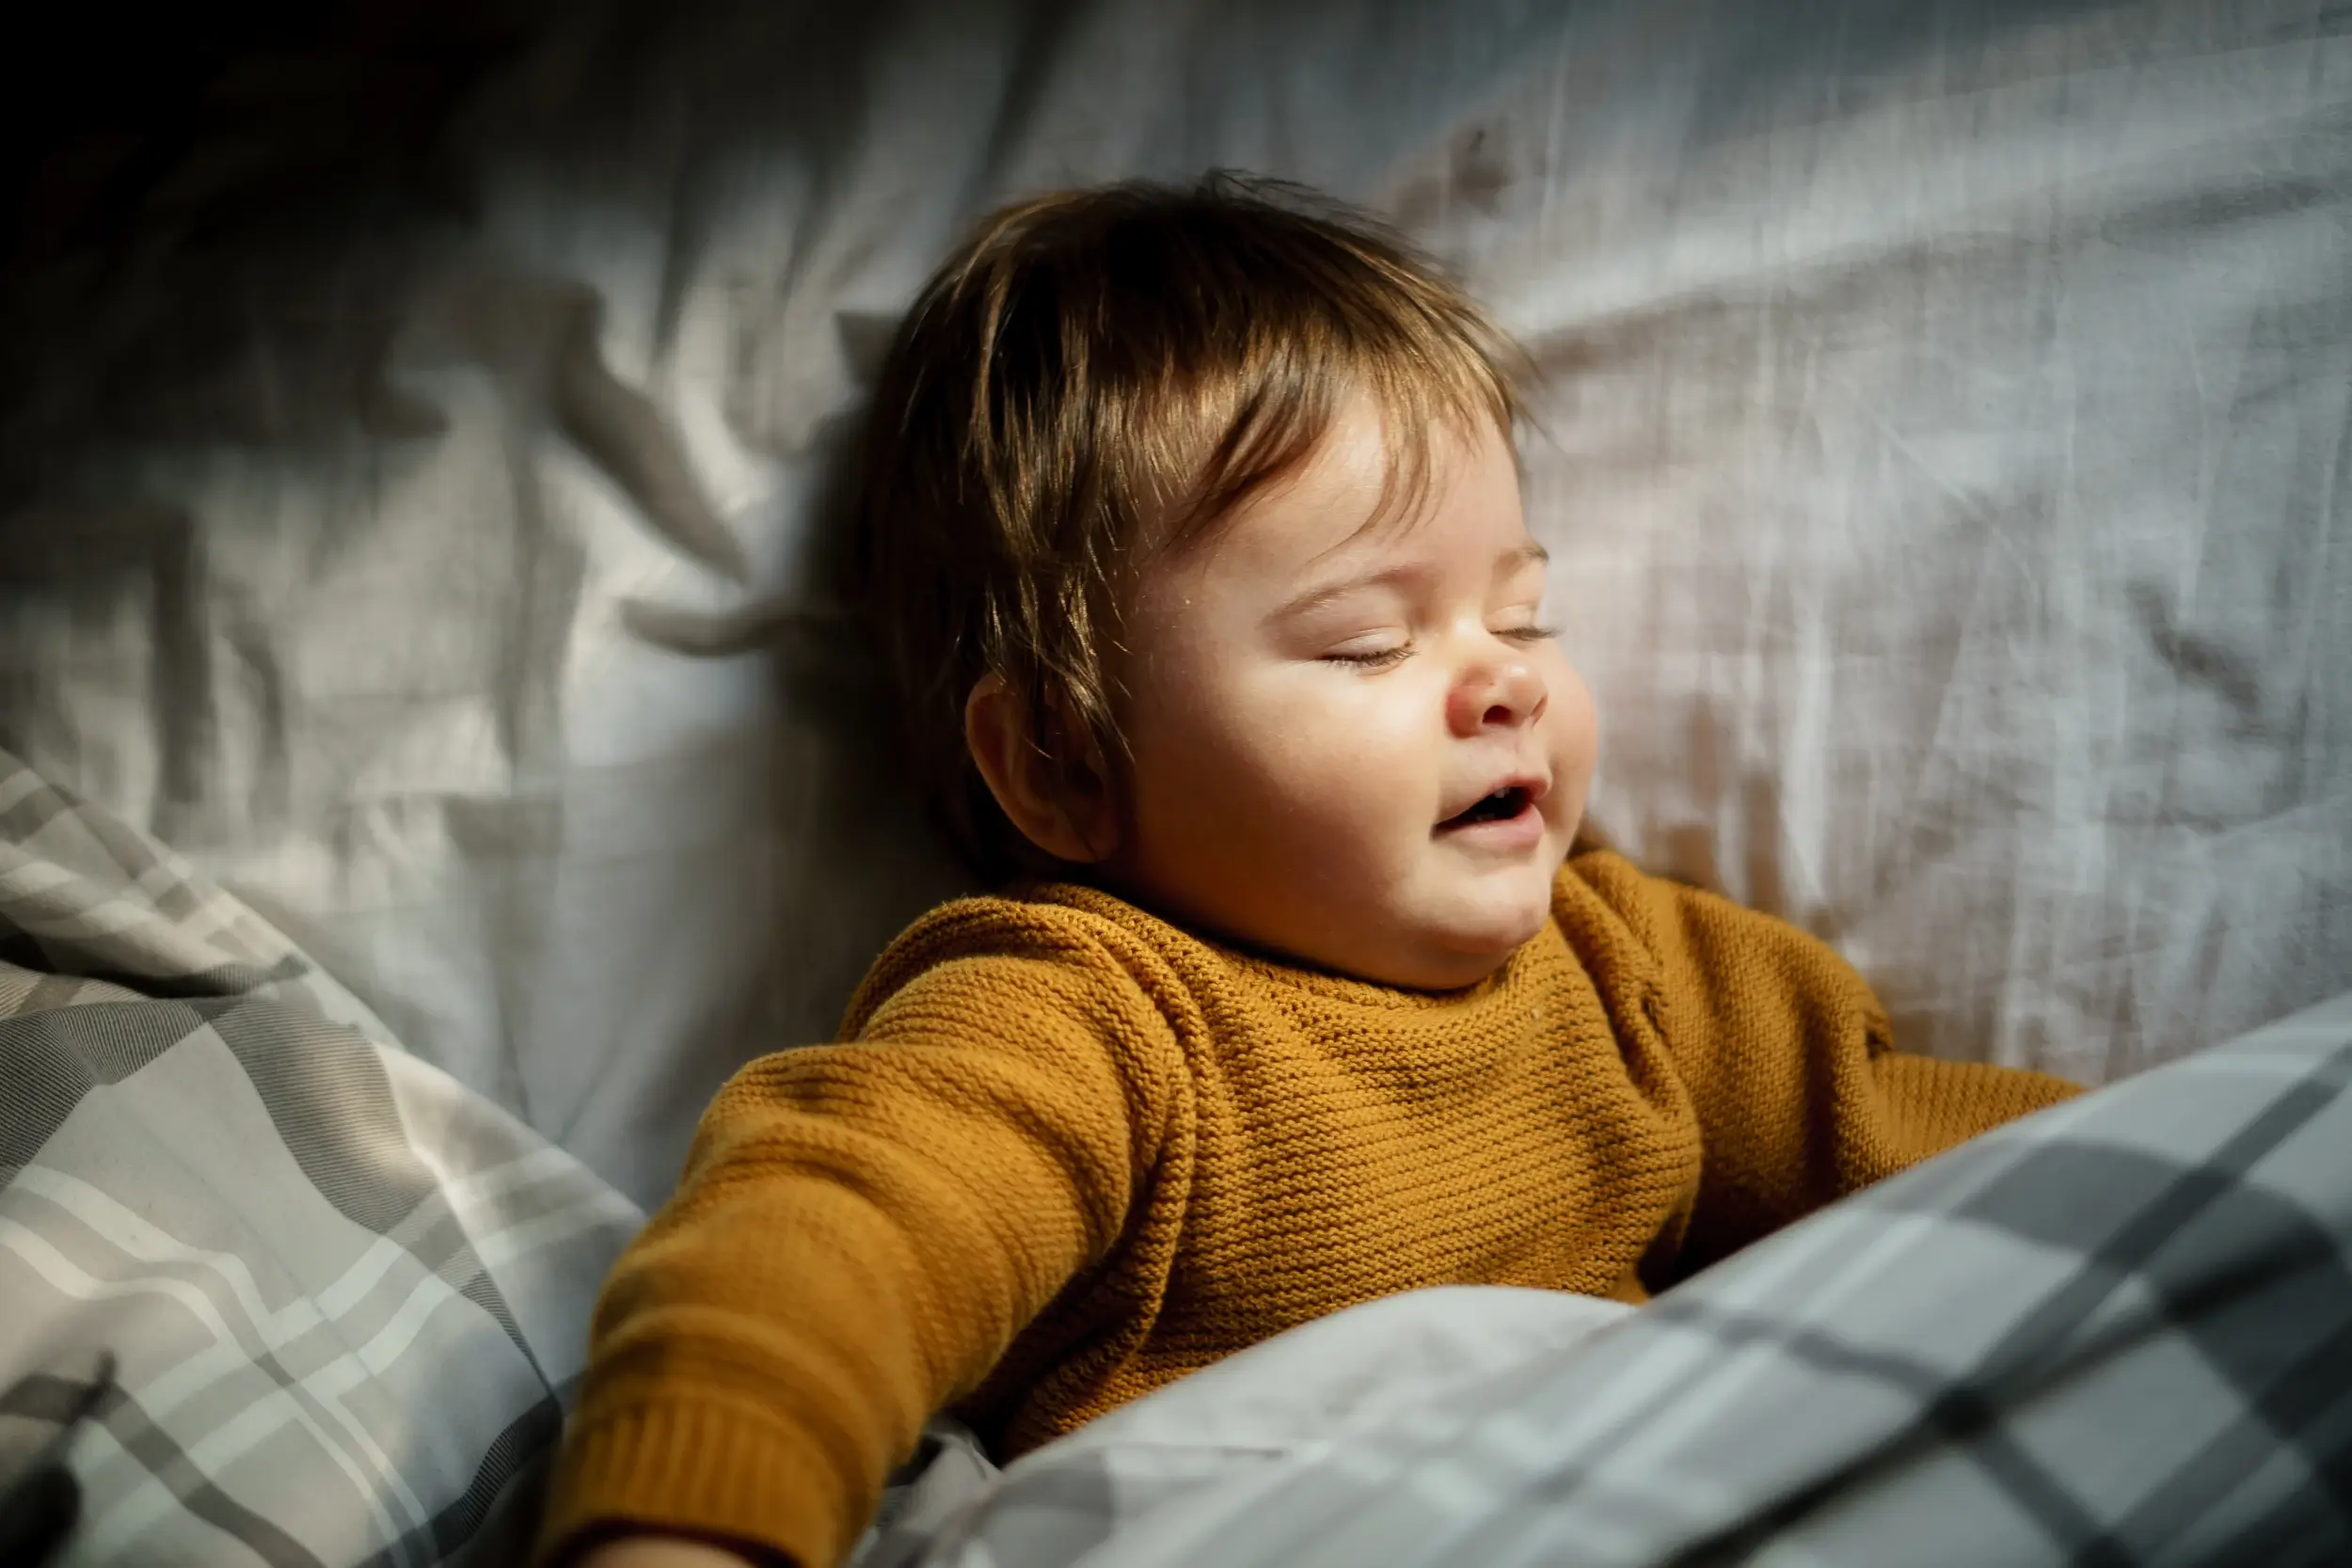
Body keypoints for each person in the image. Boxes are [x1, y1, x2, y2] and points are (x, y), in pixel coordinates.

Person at [536, 175, 2080, 1568]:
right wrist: (684, 1521)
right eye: (1368, 640)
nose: (1506, 682)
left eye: (1524, 613)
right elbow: (828, 1240)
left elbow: (1995, 1177)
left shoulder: (1640, 978)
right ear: (1067, 766)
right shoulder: (1095, 1022)